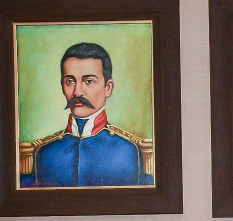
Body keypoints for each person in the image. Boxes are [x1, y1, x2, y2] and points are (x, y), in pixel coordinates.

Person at [20, 42, 153, 188]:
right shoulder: (43, 152)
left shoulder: (130, 151)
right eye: (70, 81)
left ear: (108, 88)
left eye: (89, 81)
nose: (77, 92)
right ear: (62, 86)